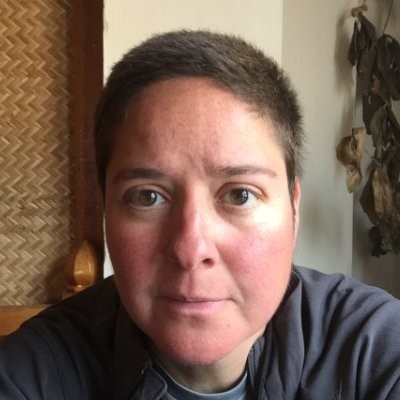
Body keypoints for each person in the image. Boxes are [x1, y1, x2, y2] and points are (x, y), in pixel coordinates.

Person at [0, 30, 399, 400]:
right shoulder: (31, 374)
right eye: (148, 197)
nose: (190, 249)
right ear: (106, 211)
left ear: (294, 209)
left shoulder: (375, 349)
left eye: (240, 195)